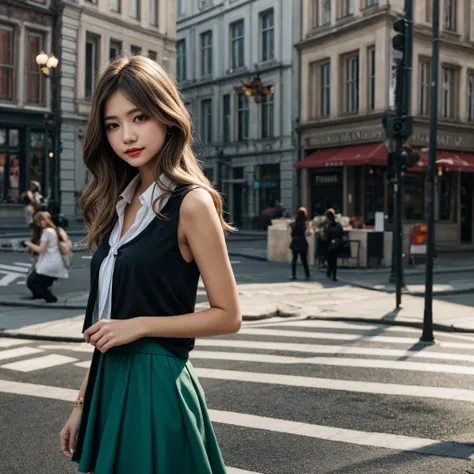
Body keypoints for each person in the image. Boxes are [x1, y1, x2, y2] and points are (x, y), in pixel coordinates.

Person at [59, 55, 242, 474]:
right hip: (108, 384)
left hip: (155, 387)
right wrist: (81, 404)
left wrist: (141, 324)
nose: (127, 135)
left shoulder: (190, 202)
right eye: (112, 124)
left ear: (166, 115)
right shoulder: (116, 206)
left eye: (139, 117)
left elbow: (229, 315)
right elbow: (107, 325)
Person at [24, 211, 70, 302]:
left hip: (49, 263)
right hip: (54, 262)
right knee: (39, 282)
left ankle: (51, 298)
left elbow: (41, 249)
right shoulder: (54, 230)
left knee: (31, 282)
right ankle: (41, 296)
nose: (37, 224)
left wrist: (29, 244)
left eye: (38, 222)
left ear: (43, 221)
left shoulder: (47, 232)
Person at [288, 207, 311, 281]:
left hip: (294, 242)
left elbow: (290, 233)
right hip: (302, 242)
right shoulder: (305, 224)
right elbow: (307, 233)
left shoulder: (293, 224)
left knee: (294, 260)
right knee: (304, 260)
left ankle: (294, 275)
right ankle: (307, 275)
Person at [323, 208, 344, 282]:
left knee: (330, 260)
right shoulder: (338, 225)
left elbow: (325, 236)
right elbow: (341, 234)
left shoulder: (327, 226)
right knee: (333, 260)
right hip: (337, 245)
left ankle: (330, 273)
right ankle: (332, 274)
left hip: (329, 245)